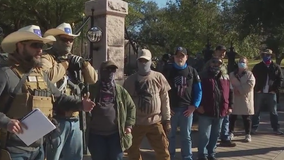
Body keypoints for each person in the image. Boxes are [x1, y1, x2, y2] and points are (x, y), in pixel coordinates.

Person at [0, 25, 95, 160]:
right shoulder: (5, 74)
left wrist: (80, 104)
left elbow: (59, 98)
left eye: (42, 46)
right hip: (13, 150)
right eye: (35, 45)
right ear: (20, 46)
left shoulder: (41, 75)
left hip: (38, 149)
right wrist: (6, 122)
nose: (40, 50)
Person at [41, 22, 97, 160]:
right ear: (55, 40)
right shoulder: (47, 58)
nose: (68, 42)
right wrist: (65, 64)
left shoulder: (76, 60)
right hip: (55, 118)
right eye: (64, 39)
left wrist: (84, 64)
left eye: (71, 40)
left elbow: (93, 79)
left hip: (75, 118)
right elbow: (46, 77)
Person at [123, 49, 171, 160]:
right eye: (141, 61)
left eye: (146, 61)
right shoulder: (130, 81)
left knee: (163, 150)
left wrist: (167, 120)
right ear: (137, 62)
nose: (143, 63)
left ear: (150, 61)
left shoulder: (159, 77)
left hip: (155, 121)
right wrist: (126, 123)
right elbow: (125, 103)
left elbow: (165, 100)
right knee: (132, 150)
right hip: (136, 123)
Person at [87, 60, 136, 160]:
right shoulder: (92, 89)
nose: (110, 72)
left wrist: (129, 125)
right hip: (96, 135)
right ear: (101, 72)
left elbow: (131, 107)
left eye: (113, 70)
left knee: (116, 157)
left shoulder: (120, 91)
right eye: (107, 70)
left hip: (115, 135)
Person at [166, 47, 202, 160]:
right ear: (174, 57)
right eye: (177, 56)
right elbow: (161, 91)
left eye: (182, 56)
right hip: (171, 110)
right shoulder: (168, 70)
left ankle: (187, 156)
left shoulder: (192, 71)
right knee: (170, 135)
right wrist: (166, 107)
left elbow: (198, 90)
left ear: (186, 57)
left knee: (186, 136)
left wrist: (194, 106)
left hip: (187, 110)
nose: (179, 58)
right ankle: (170, 156)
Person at [197, 57, 234, 160]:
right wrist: (198, 106)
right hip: (205, 111)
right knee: (204, 135)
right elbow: (196, 92)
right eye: (214, 62)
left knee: (215, 135)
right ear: (209, 63)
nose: (216, 64)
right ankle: (202, 154)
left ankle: (211, 153)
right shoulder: (202, 76)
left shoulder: (225, 77)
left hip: (221, 111)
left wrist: (230, 106)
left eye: (219, 63)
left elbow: (230, 92)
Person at [203, 45, 236, 147]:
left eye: (224, 52)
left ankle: (225, 137)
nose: (223, 53)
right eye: (221, 51)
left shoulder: (224, 64)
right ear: (215, 51)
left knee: (225, 117)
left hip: (223, 93)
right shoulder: (210, 63)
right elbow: (204, 76)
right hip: (213, 94)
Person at [251, 49, 284, 135]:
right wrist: (257, 88)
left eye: (268, 55)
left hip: (271, 92)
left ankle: (276, 128)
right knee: (256, 110)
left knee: (273, 111)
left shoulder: (276, 67)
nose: (266, 57)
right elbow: (253, 78)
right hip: (260, 92)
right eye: (264, 55)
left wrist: (275, 89)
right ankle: (254, 127)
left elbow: (280, 79)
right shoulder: (258, 66)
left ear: (271, 56)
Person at [229, 57, 255, 142]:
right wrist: (233, 90)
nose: (241, 63)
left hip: (245, 98)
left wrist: (240, 90)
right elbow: (228, 84)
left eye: (243, 62)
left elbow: (251, 84)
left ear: (246, 64)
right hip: (234, 97)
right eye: (240, 62)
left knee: (246, 117)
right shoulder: (232, 74)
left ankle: (248, 134)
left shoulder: (249, 74)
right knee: (233, 116)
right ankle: (230, 132)